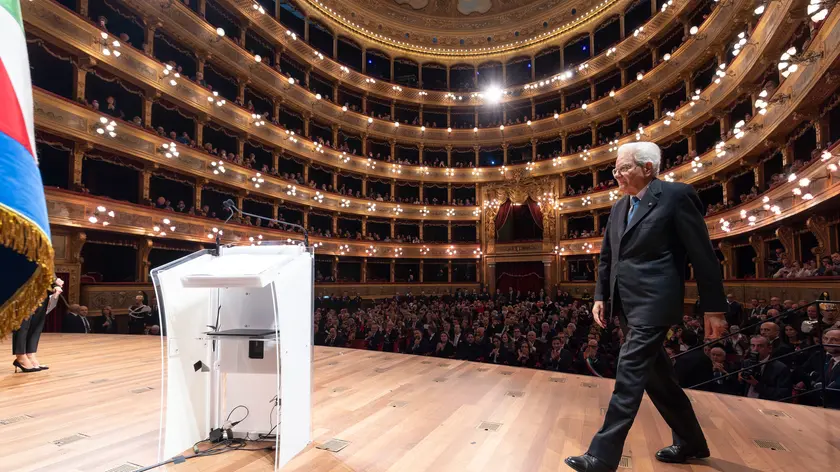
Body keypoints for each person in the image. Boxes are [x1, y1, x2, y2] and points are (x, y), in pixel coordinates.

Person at [566, 142, 726, 472]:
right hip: (625, 303)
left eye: (623, 168)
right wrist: (600, 296)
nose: (617, 175)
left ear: (648, 168)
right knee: (658, 378)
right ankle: (692, 442)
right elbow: (608, 257)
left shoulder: (677, 196)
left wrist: (713, 308)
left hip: (655, 301)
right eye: (615, 169)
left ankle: (602, 456)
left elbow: (703, 256)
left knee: (629, 373)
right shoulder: (619, 207)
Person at [12, 277, 63, 373]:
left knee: (37, 321)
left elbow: (47, 268)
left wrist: (54, 284)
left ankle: (30, 354)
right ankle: (21, 356)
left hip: (42, 284)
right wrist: (54, 279)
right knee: (23, 322)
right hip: (24, 283)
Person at [738, 335, 792, 401]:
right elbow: (740, 389)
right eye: (753, 345)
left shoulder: (780, 368)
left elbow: (782, 395)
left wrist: (757, 385)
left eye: (760, 346)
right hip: (745, 401)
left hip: (766, 403)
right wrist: (740, 380)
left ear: (769, 349)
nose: (755, 349)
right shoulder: (746, 363)